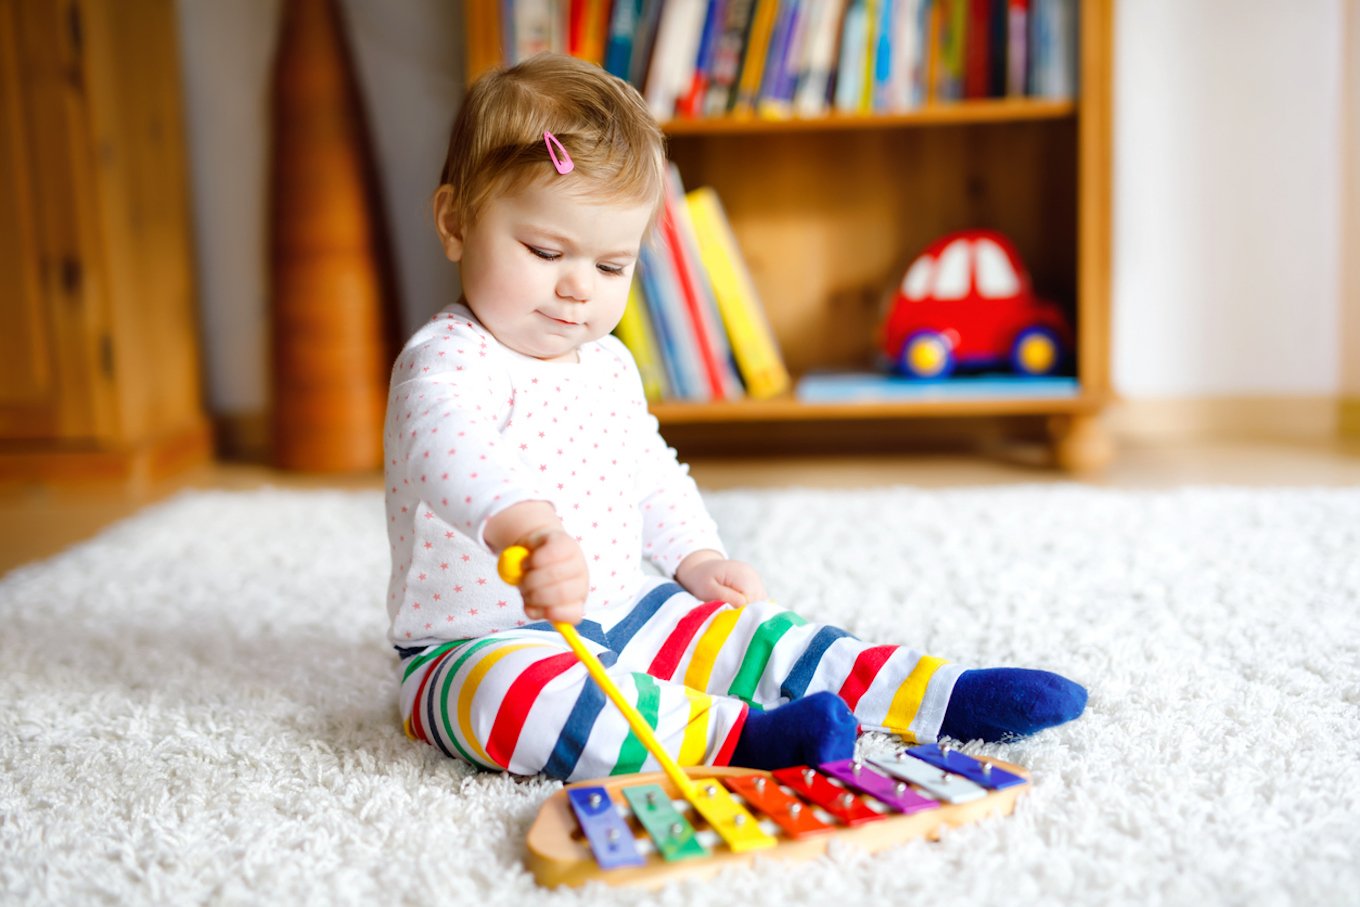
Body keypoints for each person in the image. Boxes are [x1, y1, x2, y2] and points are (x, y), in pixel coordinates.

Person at [386, 53, 1085, 782]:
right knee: (519, 703)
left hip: (626, 610)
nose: (576, 289)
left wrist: (698, 557)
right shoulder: (446, 361)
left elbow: (650, 474)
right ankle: (743, 739)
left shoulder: (608, 364)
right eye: (545, 250)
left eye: (610, 266)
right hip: (475, 643)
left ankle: (934, 697)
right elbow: (449, 447)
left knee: (757, 635)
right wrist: (528, 531)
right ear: (455, 222)